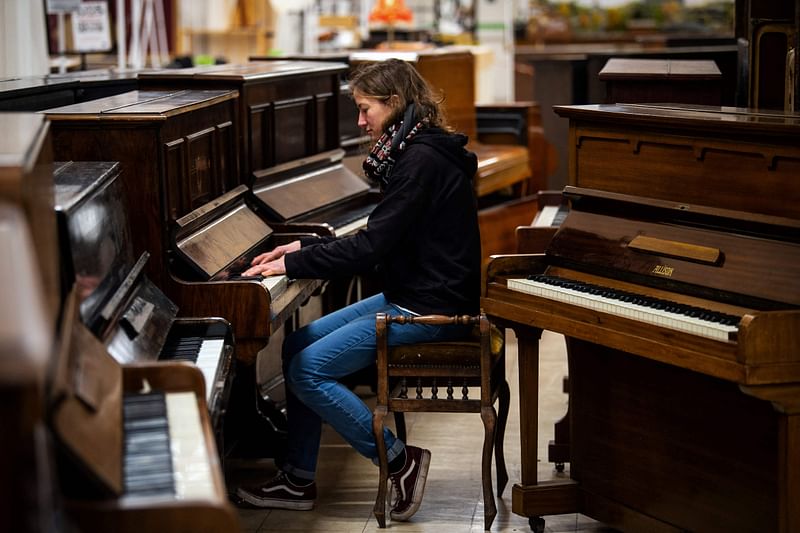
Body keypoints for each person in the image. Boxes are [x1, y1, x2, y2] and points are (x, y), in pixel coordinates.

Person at [235, 58, 481, 522]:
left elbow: (371, 247)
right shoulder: (414, 149)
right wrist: (305, 245)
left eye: (365, 109)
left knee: (308, 369)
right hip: (412, 291)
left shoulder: (420, 161)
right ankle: (297, 477)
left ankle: (400, 462)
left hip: (433, 306)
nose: (360, 121)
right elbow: (382, 233)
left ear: (394, 103)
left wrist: (292, 261)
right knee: (297, 344)